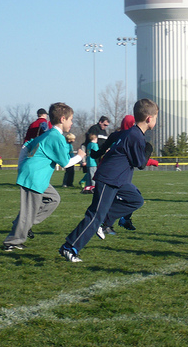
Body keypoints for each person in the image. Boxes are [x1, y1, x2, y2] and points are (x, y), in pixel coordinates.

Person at [59, 98, 158, 262]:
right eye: (155, 117)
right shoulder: (135, 136)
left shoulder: (128, 133)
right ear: (149, 119)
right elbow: (140, 163)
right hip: (109, 179)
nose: (155, 120)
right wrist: (148, 149)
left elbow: (112, 137)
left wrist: (97, 153)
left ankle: (104, 221)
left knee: (136, 200)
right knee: (95, 214)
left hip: (119, 180)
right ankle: (69, 247)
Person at [3, 103, 85, 251]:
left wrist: (22, 167)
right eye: (70, 119)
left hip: (36, 176)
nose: (72, 123)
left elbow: (27, 146)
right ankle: (12, 242)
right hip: (34, 177)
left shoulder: (49, 135)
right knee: (28, 211)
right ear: (62, 119)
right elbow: (65, 163)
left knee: (53, 199)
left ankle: (23, 224)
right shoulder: (55, 136)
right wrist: (79, 156)